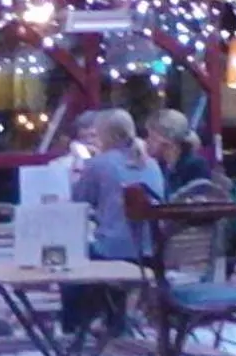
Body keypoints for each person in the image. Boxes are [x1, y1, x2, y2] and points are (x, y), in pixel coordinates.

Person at [64, 109, 163, 330]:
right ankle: (112, 322)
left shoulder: (99, 164)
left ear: (105, 135)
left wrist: (77, 174)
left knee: (68, 261)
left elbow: (78, 202)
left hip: (114, 252)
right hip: (149, 252)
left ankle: (74, 328)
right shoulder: (151, 163)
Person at [143, 108, 211, 193]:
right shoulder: (160, 166)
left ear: (167, 140)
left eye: (152, 137)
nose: (147, 141)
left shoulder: (196, 166)